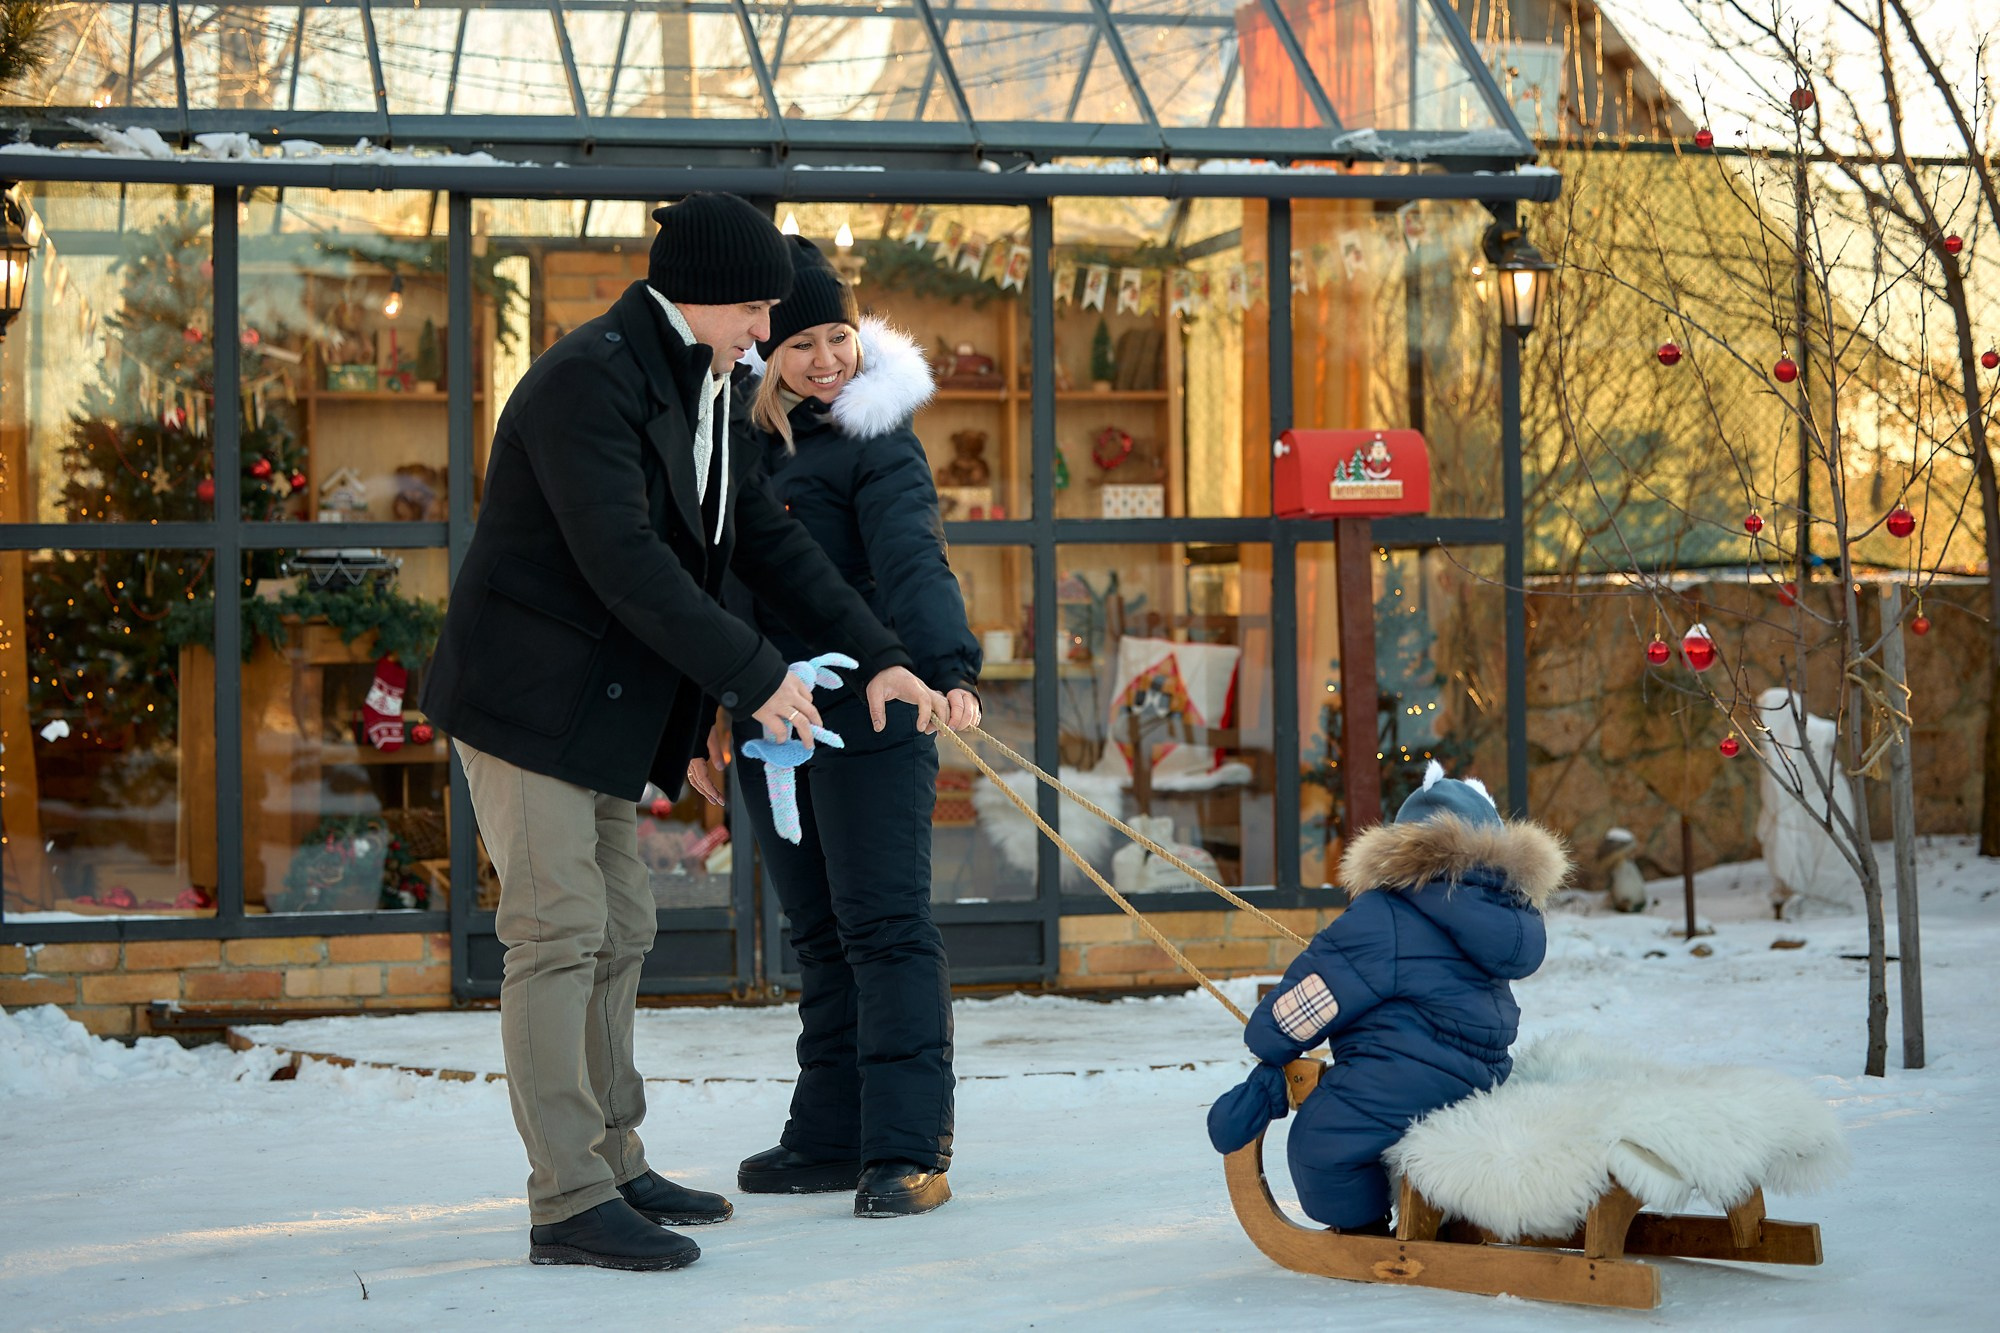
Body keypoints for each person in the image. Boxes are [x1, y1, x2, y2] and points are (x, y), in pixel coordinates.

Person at [420, 193, 948, 1271]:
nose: (766, 329)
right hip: (526, 703)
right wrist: (757, 680)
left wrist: (883, 648)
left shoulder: (702, 382)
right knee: (557, 934)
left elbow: (764, 540)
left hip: (602, 706)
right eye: (756, 306)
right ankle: (567, 1195)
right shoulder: (588, 381)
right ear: (698, 294)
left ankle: (614, 1160)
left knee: (619, 928)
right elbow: (628, 564)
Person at [690, 237, 979, 1218]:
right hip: (772, 721)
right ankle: (828, 1134)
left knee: (884, 929)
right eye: (802, 340)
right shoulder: (729, 443)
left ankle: (905, 1147)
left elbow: (910, 556)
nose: (825, 359)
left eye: (839, 336)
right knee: (817, 934)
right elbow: (708, 588)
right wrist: (707, 713)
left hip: (873, 710)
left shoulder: (874, 437)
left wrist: (943, 668)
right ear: (764, 346)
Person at [1204, 762, 1565, 1232]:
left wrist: (1268, 1037)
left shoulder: (1385, 914)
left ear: (1402, 846)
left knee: (1323, 1141)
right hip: (1483, 1077)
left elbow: (1314, 998)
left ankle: (1364, 1230)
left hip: (1404, 1079)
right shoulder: (1502, 914)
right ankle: (1441, 1214)